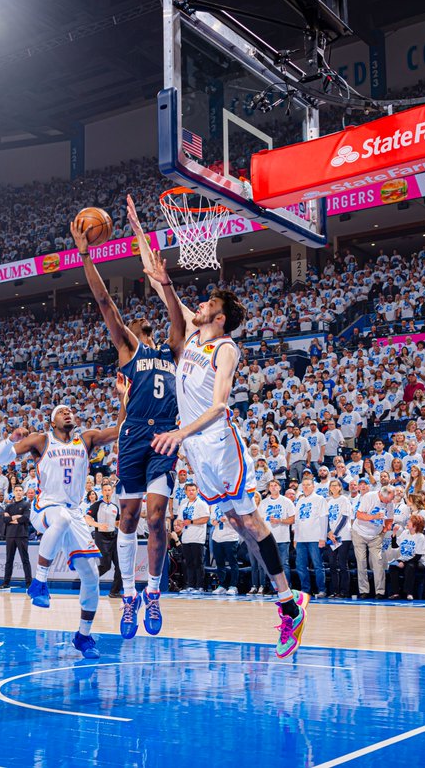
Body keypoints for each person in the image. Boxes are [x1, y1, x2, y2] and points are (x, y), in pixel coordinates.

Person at [148, 261, 308, 658]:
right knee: (236, 521)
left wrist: (181, 432)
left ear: (219, 317)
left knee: (251, 520)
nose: (198, 305)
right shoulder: (194, 334)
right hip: (197, 450)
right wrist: (141, 241)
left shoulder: (225, 347)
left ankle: (289, 604)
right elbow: (164, 290)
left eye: (207, 303)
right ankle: (289, 602)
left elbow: (220, 405)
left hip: (218, 442)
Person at [77, 198, 179, 637]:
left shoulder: (173, 350)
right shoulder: (128, 351)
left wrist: (166, 284)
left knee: (157, 518)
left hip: (165, 438)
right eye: (140, 329)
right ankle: (130, 599)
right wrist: (85, 255)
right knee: (130, 520)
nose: (145, 331)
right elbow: (103, 301)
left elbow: (178, 319)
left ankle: (153, 593)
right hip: (134, 436)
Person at [0, 403, 120, 658]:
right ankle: (39, 582)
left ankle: (83, 636)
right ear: (52, 422)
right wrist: (11, 439)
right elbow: (1, 459)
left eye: (70, 410)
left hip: (74, 512)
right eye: (61, 411)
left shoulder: (86, 440)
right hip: (46, 506)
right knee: (60, 518)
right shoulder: (42, 440)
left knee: (92, 576)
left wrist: (125, 396)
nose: (68, 412)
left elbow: (119, 429)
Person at [291, 475, 328, 599]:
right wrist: (295, 538)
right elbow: (296, 521)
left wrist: (322, 537)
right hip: (301, 539)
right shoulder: (300, 501)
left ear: (313, 486)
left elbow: (324, 519)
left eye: (308, 485)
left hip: (315, 538)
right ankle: (306, 590)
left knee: (318, 565)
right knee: (300, 566)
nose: (306, 487)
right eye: (304, 485)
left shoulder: (320, 499)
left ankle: (321, 590)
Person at [85, 481, 123, 598]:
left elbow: (117, 522)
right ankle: (88, 579)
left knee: (120, 565)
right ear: (102, 492)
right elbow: (87, 518)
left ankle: (114, 591)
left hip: (114, 537)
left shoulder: (115, 507)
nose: (107, 492)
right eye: (105, 490)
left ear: (112, 492)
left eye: (109, 490)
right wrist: (98, 525)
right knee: (106, 566)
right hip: (101, 537)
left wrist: (123, 524)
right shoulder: (97, 505)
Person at [177, 483, 210, 593]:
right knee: (189, 563)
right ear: (185, 492)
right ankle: (190, 585)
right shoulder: (183, 505)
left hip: (197, 538)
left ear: (197, 491)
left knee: (198, 563)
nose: (191, 492)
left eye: (193, 490)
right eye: (189, 490)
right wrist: (178, 525)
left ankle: (200, 586)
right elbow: (179, 520)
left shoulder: (201, 504)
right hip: (186, 537)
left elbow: (205, 518)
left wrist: (191, 522)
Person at [387, 514, 425, 600]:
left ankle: (409, 593)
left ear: (415, 525)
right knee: (392, 566)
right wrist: (394, 533)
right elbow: (395, 545)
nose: (407, 522)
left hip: (418, 562)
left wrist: (404, 563)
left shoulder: (420, 537)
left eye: (410, 521)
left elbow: (417, 556)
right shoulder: (405, 533)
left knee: (410, 567)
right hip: (404, 559)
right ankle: (395, 593)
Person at [0, 487, 32, 589]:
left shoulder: (27, 504)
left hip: (21, 535)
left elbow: (25, 518)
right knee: (9, 560)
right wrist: (16, 517)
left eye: (20, 490)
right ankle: (6, 583)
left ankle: (29, 583)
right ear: (13, 492)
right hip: (10, 535)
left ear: (23, 492)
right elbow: (5, 519)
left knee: (25, 560)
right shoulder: (9, 506)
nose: (18, 492)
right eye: (16, 490)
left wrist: (12, 519)